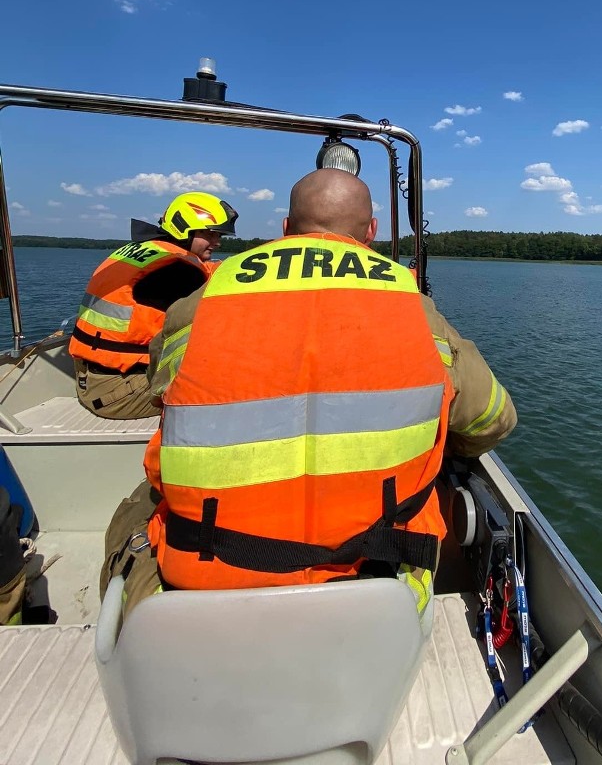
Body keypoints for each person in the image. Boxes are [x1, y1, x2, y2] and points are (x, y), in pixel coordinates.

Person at [103, 169, 516, 619]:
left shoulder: (205, 296)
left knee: (134, 511)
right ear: (371, 232)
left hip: (203, 590)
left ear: (285, 228)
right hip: (377, 589)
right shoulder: (411, 303)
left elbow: (161, 391)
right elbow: (493, 418)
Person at [68, 192, 239, 420]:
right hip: (120, 391)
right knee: (235, 380)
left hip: (91, 377)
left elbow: (203, 271)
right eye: (210, 234)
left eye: (219, 235)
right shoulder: (176, 270)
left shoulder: (145, 252)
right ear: (183, 229)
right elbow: (210, 323)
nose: (217, 242)